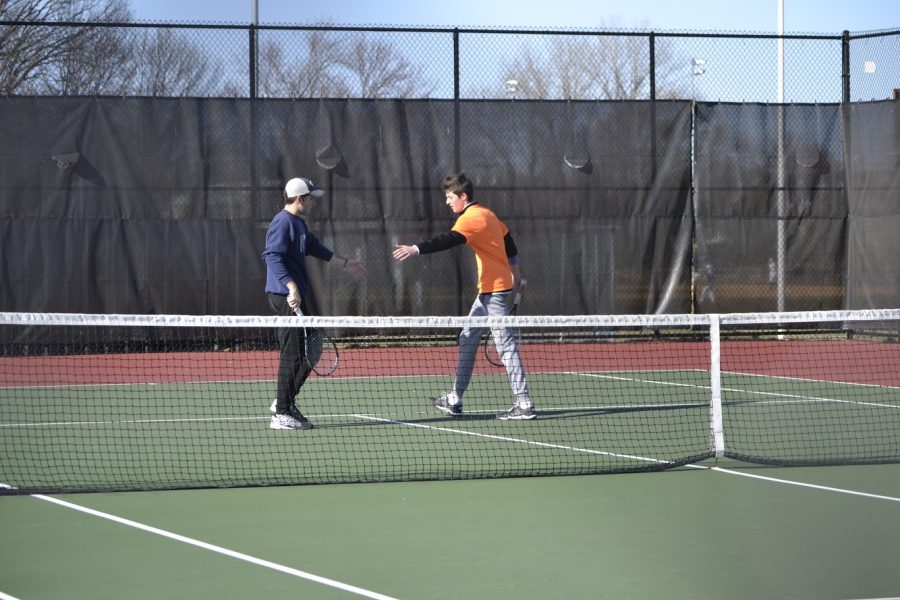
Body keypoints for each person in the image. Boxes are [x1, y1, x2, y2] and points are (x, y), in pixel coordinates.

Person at [392, 172, 534, 420]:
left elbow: (448, 240)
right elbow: (510, 246)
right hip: (488, 292)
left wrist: (415, 249)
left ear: (463, 196)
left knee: (506, 347)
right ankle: (455, 400)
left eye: (450, 197)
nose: (447, 202)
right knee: (467, 338)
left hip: (495, 293)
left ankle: (524, 403)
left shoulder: (471, 218)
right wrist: (517, 277)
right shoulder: (489, 215)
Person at [263, 176, 366, 430]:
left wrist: (345, 263)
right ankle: (281, 412)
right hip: (285, 296)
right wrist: (291, 286)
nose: (313, 203)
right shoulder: (282, 222)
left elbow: (314, 247)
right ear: (299, 199)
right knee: (293, 352)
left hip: (295, 296)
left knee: (314, 345)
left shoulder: (297, 224)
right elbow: (272, 256)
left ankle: (284, 401)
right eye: (310, 198)